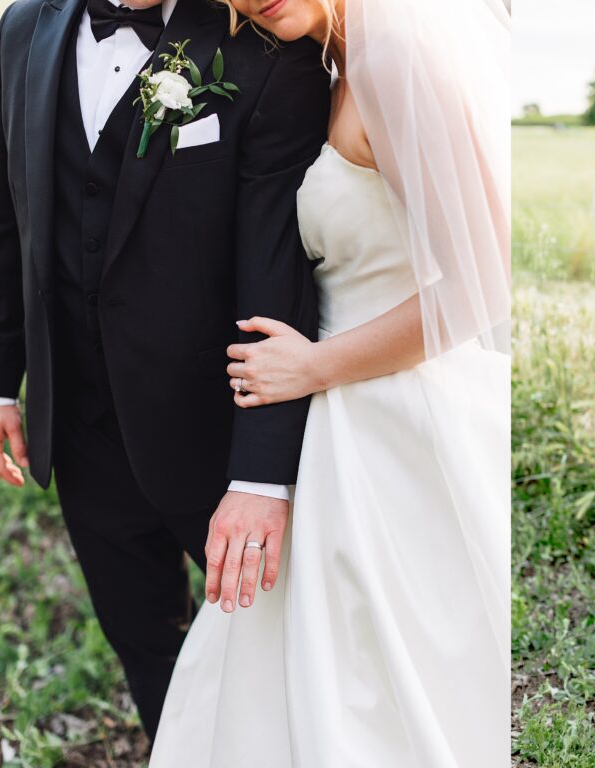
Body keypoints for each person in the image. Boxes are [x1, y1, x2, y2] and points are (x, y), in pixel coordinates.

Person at [149, 0, 511, 765]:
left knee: (383, 677)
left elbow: (478, 289)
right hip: (340, 418)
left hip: (402, 414)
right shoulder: (333, 63)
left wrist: (314, 365)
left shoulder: (402, 54)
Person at [0, 0, 329, 741]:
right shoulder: (21, 28)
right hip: (81, 423)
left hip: (212, 428)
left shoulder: (266, 51)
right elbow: (9, 216)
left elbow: (276, 277)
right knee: (144, 643)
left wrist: (260, 477)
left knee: (273, 654)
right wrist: (2, 378)